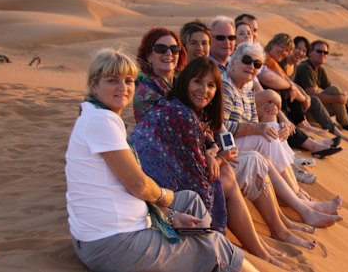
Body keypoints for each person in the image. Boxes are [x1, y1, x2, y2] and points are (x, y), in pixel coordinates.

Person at [65, 48, 255, 272]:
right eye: (112, 80)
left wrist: (170, 214)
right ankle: (212, 257)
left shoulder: (96, 114)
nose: (123, 88)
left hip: (108, 232)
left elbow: (125, 187)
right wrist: (167, 201)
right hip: (114, 243)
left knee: (190, 201)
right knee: (218, 248)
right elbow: (139, 185)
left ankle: (203, 257)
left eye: (128, 80)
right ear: (94, 84)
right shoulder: (101, 122)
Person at [131, 58, 318, 256]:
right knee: (228, 175)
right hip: (157, 190)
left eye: (211, 85)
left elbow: (202, 140)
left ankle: (273, 234)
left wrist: (214, 153)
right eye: (198, 82)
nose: (204, 90)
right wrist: (220, 158)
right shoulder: (181, 113)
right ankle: (262, 246)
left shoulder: (181, 107)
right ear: (185, 81)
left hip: (157, 182)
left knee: (242, 165)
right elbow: (196, 175)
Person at [222, 42, 344, 222]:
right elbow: (222, 126)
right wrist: (259, 127)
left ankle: (300, 201)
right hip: (225, 148)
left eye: (256, 64)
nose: (251, 67)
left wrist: (271, 119)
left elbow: (248, 120)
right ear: (233, 61)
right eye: (246, 60)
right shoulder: (225, 86)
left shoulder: (245, 86)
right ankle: (300, 200)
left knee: (274, 131)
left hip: (238, 142)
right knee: (267, 137)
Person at [262, 33, 343, 158]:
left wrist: (302, 95)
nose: (284, 52)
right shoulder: (268, 60)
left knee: (293, 98)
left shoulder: (276, 62)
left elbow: (289, 83)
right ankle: (313, 144)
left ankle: (312, 140)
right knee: (287, 112)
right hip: (270, 105)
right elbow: (281, 82)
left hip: (278, 104)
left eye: (287, 50)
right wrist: (303, 97)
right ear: (272, 44)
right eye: (281, 47)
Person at [133, 27, 187, 123]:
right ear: (148, 56)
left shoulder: (185, 84)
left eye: (174, 49)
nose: (169, 53)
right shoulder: (145, 93)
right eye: (160, 49)